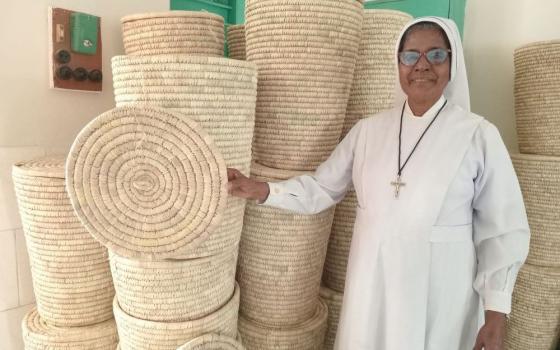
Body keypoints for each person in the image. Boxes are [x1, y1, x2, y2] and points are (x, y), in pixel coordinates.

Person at [227, 16, 530, 350]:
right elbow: (323, 187)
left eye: (436, 55)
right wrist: (265, 190)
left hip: (440, 292)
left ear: (452, 61)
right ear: (398, 63)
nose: (422, 65)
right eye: (411, 56)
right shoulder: (368, 131)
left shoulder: (478, 135)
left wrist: (496, 311)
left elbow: (503, 228)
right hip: (371, 282)